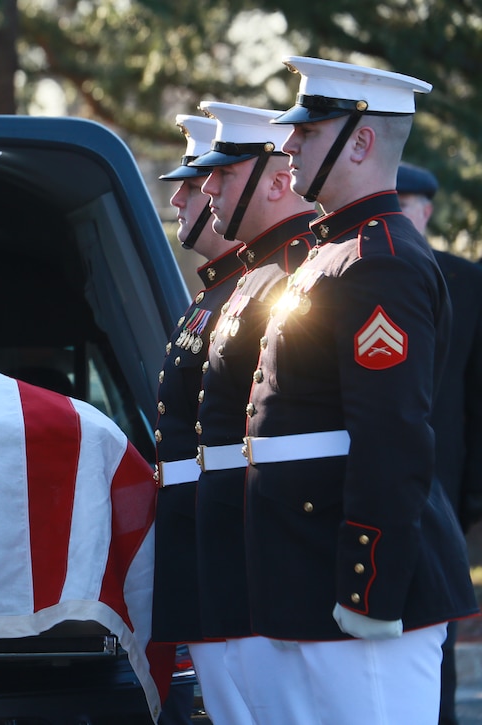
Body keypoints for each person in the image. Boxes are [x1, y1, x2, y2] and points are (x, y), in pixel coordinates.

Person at [240, 55, 478, 723]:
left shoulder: (382, 263)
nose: (288, 144)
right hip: (303, 572)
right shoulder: (336, 254)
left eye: (308, 133)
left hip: (353, 585)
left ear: (363, 140)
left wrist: (366, 587)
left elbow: (393, 437)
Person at [189, 101, 317, 723]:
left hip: (264, 537)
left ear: (276, 178)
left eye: (222, 172)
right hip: (224, 530)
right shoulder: (249, 275)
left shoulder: (293, 270)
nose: (205, 187)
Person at [151, 112, 251, 725]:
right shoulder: (214, 294)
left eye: (200, 181)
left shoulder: (257, 290)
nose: (185, 195)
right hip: (201, 533)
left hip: (235, 541)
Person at [397, 161, 482, 725]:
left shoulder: (467, 281)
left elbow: (477, 391)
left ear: (425, 211)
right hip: (372, 478)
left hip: (446, 479)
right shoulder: (351, 269)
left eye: (404, 206)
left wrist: (474, 495)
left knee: (439, 623)